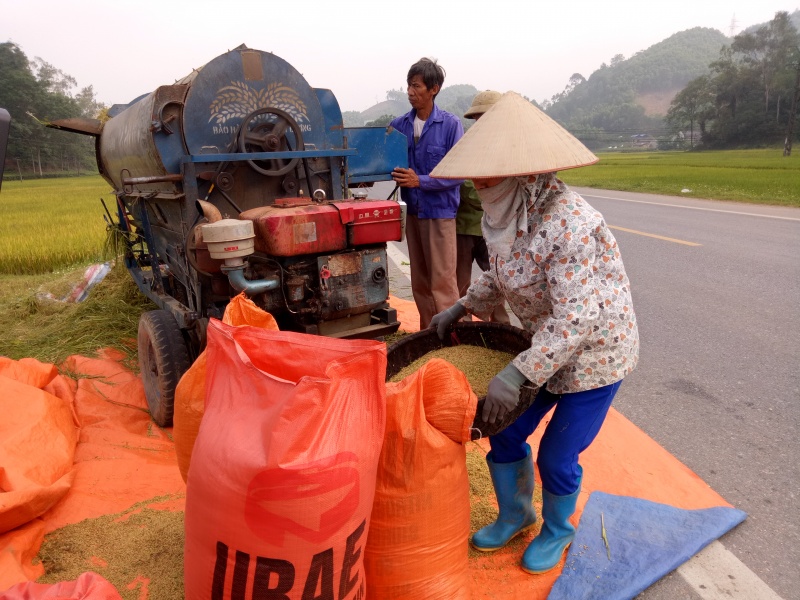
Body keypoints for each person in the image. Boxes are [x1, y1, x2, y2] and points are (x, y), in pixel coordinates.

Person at [429, 91, 640, 574]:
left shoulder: (569, 222)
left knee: (558, 454)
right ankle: (516, 514)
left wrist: (517, 373)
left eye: (488, 176)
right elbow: (500, 270)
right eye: (476, 178)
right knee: (503, 432)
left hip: (595, 355)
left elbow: (576, 320)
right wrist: (463, 303)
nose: (480, 186)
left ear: (522, 172)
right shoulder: (502, 209)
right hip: (546, 347)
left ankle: (557, 530)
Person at [390, 58, 464, 329]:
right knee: (420, 281)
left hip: (440, 214)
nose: (410, 91)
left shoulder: (450, 125)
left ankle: (452, 339)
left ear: (434, 89)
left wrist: (419, 181)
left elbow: (457, 173)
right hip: (413, 213)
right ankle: (428, 336)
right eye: (409, 86)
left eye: (416, 86)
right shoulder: (399, 125)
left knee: (442, 282)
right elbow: (383, 159)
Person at [457, 91, 510, 324]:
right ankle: (463, 333)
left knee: (500, 281)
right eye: (479, 117)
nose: (482, 121)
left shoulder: (509, 146)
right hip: (466, 225)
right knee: (461, 283)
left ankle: (501, 328)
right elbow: (466, 185)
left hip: (498, 226)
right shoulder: (467, 145)